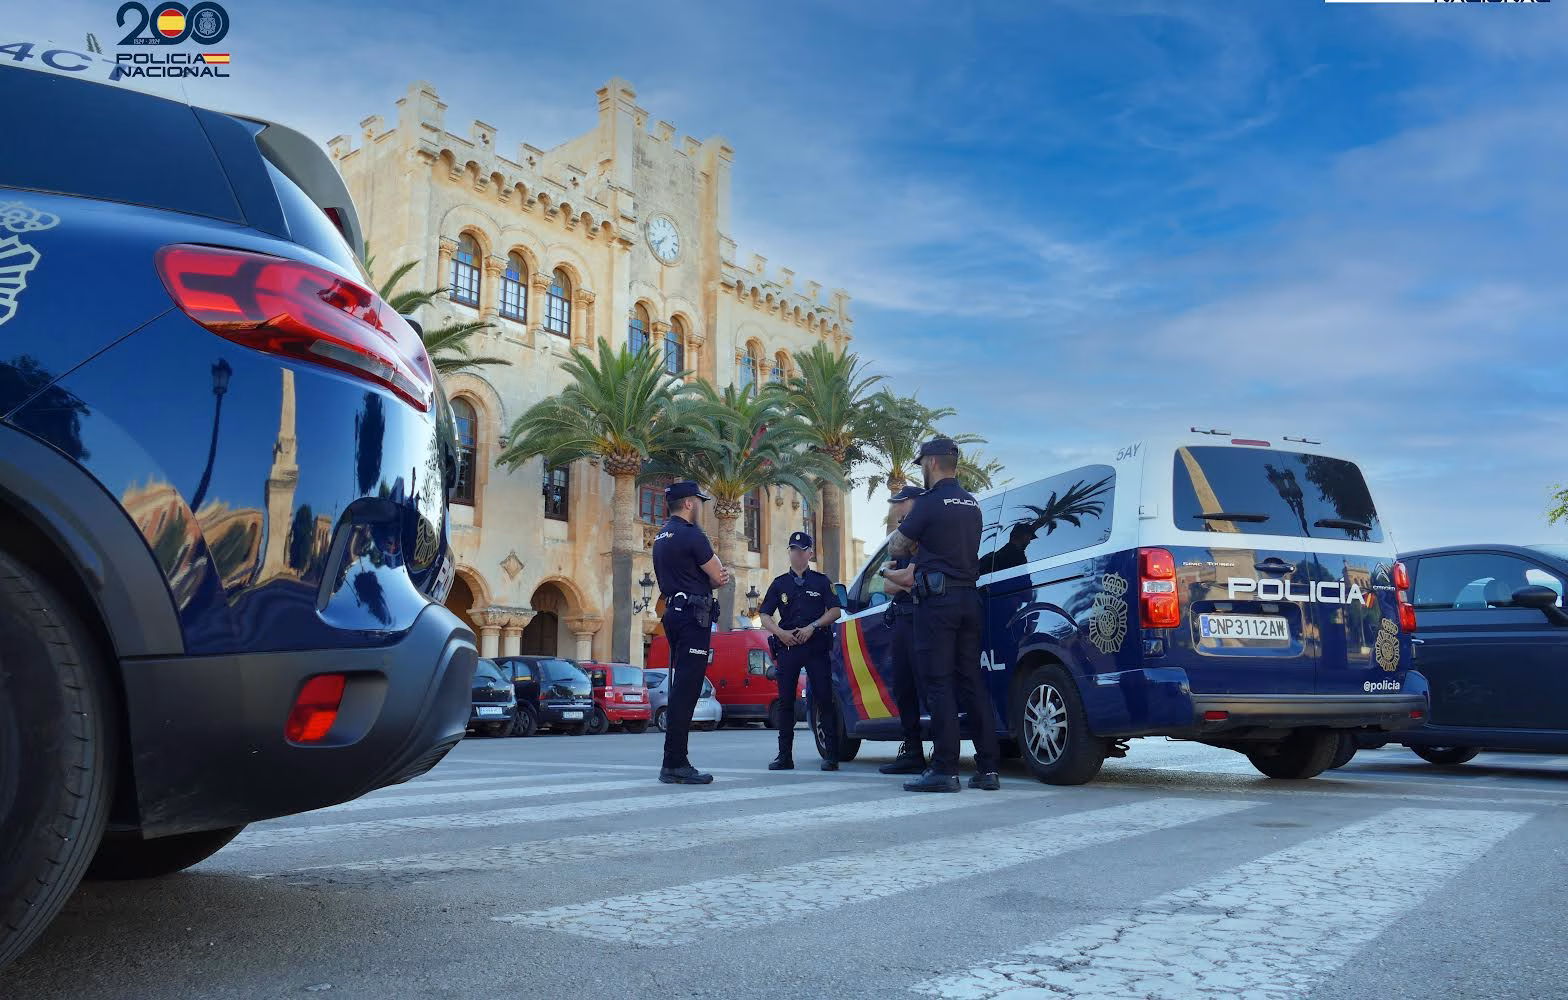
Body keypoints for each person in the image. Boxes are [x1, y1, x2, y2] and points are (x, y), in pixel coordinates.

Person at [882, 438, 1001, 792]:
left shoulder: (930, 504)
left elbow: (896, 545)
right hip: (968, 599)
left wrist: (917, 543)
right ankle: (988, 769)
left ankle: (945, 769)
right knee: (972, 683)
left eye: (922, 463)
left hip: (937, 603)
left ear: (931, 464)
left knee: (938, 683)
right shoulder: (972, 504)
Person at [651, 480, 730, 785]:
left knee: (680, 688)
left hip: (673, 611)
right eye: (698, 501)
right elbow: (718, 574)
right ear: (688, 503)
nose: (699, 506)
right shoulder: (692, 535)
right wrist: (710, 578)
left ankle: (673, 761)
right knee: (687, 690)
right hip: (693, 616)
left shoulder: (661, 536)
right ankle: (675, 763)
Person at [758, 531, 842, 771]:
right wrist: (779, 633)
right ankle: (785, 756)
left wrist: (813, 626)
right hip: (789, 646)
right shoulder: (779, 584)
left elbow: (835, 610)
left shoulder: (821, 581)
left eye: (801, 550)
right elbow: (764, 614)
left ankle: (832, 755)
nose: (797, 554)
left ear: (810, 553)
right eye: (793, 549)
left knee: (825, 699)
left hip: (815, 645)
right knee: (785, 702)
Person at [879, 484, 928, 775]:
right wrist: (899, 579)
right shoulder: (901, 538)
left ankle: (942, 751)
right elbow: (886, 585)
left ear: (914, 502)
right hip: (902, 618)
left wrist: (898, 578)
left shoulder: (924, 534)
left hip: (921, 617)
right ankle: (912, 750)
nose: (896, 508)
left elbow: (907, 580)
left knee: (929, 686)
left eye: (900, 502)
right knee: (904, 687)